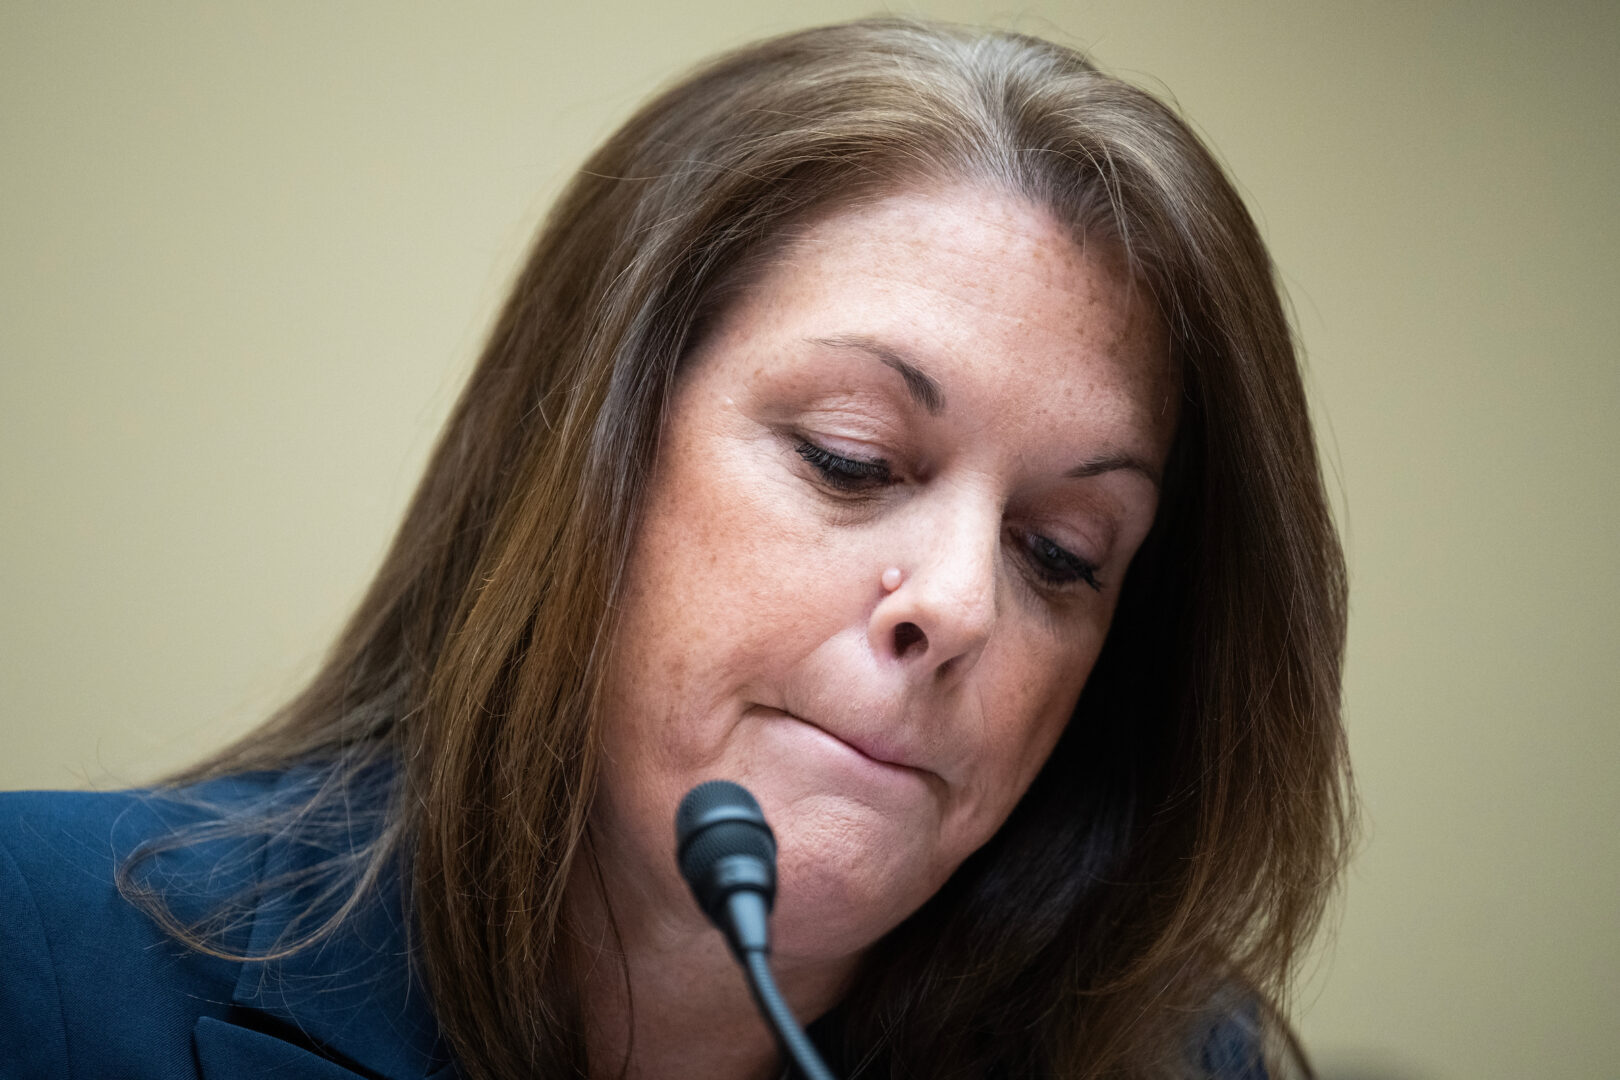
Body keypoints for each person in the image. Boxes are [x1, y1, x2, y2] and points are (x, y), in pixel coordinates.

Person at [0, 16, 1351, 1080]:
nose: (957, 604)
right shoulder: (41, 961)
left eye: (1061, 553)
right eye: (851, 459)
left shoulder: (1185, 1069)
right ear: (590, 456)